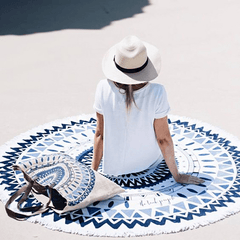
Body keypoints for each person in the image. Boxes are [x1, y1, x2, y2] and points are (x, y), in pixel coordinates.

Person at [92, 35, 204, 185]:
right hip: (147, 163)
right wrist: (177, 176)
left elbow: (100, 134)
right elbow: (163, 139)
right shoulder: (157, 92)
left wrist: (93, 174)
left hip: (114, 167)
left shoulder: (103, 88)